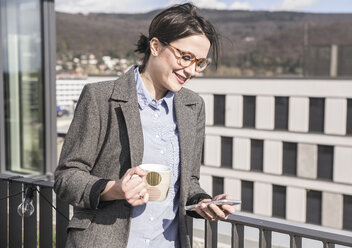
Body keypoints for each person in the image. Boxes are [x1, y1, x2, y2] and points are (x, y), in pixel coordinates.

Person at [54, 3, 235, 248]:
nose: (192, 70)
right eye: (186, 57)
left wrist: (203, 202)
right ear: (156, 46)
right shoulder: (100, 97)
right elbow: (66, 178)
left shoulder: (194, 106)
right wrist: (114, 189)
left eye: (200, 62)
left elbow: (188, 182)